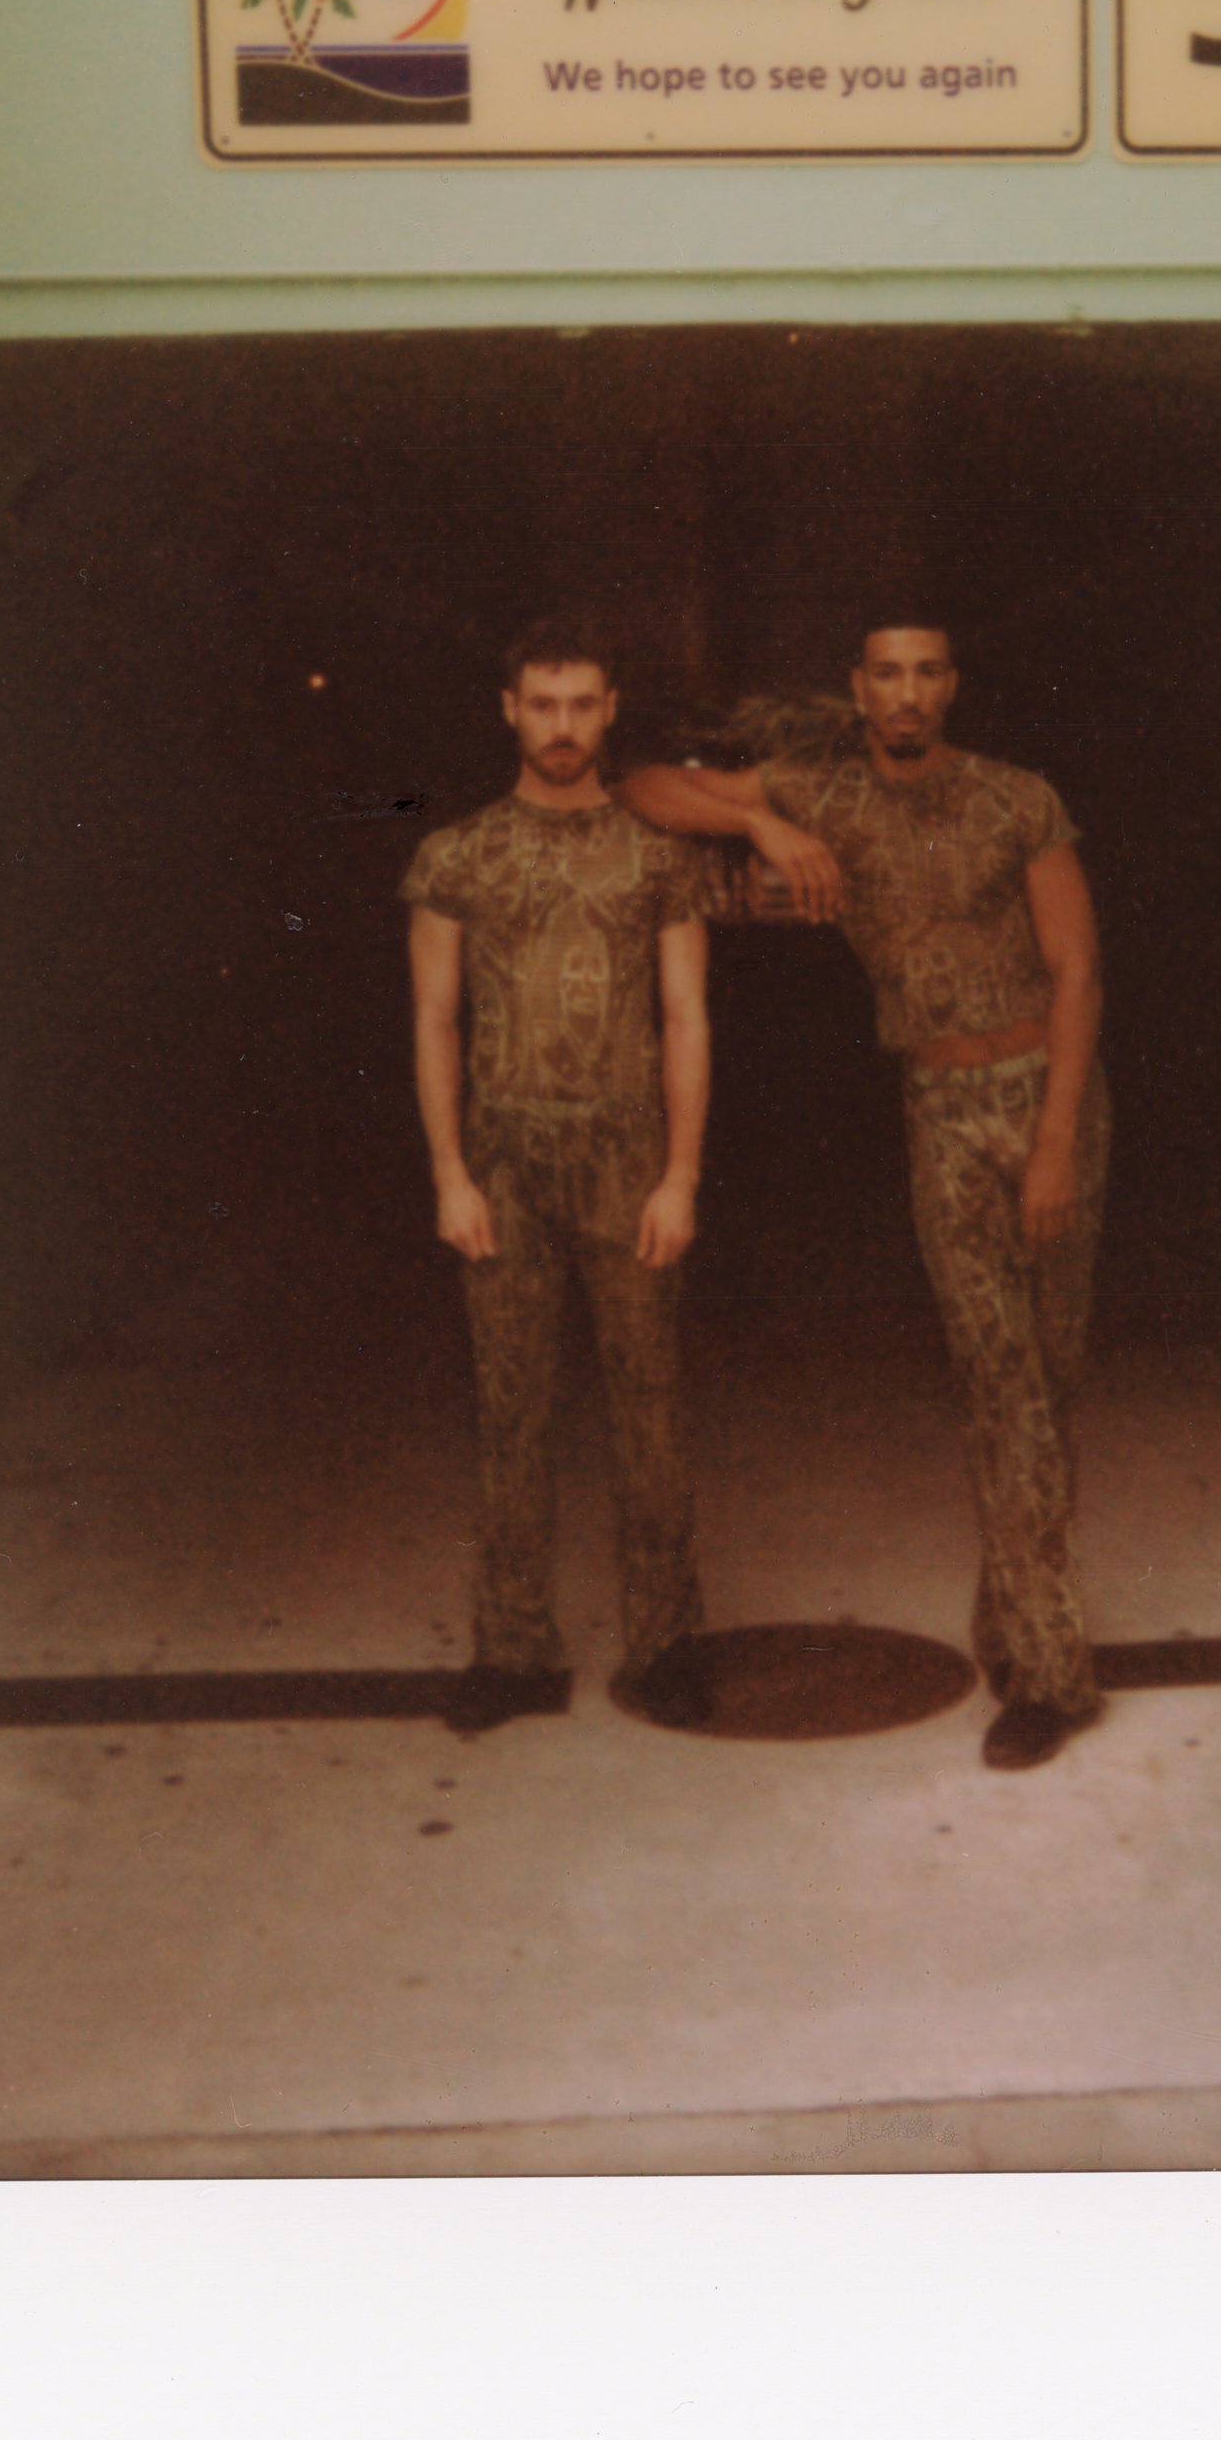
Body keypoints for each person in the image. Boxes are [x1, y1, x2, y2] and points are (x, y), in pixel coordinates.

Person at [621, 619, 1109, 1770]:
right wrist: (756, 818)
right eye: (885, 674)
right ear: (858, 690)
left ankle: (1011, 1618)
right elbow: (643, 787)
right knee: (999, 1381)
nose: (906, 693)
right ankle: (1051, 1675)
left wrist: (1051, 1144)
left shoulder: (1017, 798)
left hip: (1052, 1099)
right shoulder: (822, 791)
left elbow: (1080, 969)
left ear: (952, 685)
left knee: (1050, 1375)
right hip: (937, 1112)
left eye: (927, 672)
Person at [404, 620, 716, 1736]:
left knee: (650, 1407)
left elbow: (686, 1016)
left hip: (628, 1157)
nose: (564, 727)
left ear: (612, 708)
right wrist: (449, 1172)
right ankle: (515, 1649)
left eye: (583, 705)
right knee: (512, 1410)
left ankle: (669, 1641)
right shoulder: (455, 854)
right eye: (544, 705)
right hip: (504, 1161)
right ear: (509, 710)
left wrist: (680, 1174)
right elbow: (436, 1020)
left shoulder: (658, 854)